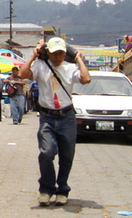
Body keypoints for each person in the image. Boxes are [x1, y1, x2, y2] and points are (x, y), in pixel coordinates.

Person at [17, 37, 90, 207]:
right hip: (47, 117)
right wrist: (32, 56)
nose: (57, 57)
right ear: (47, 52)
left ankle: (62, 189)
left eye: (60, 53)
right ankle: (46, 189)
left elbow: (86, 79)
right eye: (53, 53)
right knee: (46, 152)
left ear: (65, 53)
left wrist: (78, 58)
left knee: (66, 155)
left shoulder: (71, 68)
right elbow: (22, 74)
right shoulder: (41, 66)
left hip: (66, 117)